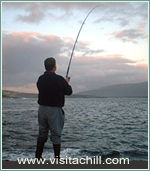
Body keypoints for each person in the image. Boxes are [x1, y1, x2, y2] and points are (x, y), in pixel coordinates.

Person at [35, 57, 72, 160]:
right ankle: (57, 159)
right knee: (56, 135)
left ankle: (38, 157)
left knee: (42, 133)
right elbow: (69, 92)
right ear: (55, 67)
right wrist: (66, 83)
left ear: (45, 66)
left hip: (42, 110)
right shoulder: (60, 80)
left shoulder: (40, 79)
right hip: (54, 111)